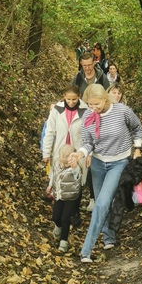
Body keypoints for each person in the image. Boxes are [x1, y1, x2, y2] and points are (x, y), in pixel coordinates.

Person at [68, 84, 142, 263]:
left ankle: (86, 250)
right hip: (98, 163)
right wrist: (79, 154)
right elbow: (88, 143)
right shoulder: (88, 115)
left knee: (101, 203)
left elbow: (137, 127)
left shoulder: (122, 111)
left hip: (119, 162)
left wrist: (138, 148)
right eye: (90, 104)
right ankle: (109, 237)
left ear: (105, 98)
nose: (93, 108)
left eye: (96, 104)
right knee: (103, 203)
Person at [42, 85, 87, 223]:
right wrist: (46, 152)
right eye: (68, 99)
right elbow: (50, 131)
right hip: (60, 151)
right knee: (59, 177)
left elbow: (88, 134)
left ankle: (74, 211)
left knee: (76, 179)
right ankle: (59, 210)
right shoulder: (57, 110)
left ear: (79, 97)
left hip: (77, 150)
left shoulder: (86, 110)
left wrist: (88, 153)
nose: (71, 102)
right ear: (64, 97)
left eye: (74, 99)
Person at [51, 144, 82, 252]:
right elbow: (54, 175)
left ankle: (63, 241)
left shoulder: (75, 168)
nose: (63, 165)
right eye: (62, 163)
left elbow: (77, 174)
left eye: (66, 164)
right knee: (56, 217)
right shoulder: (57, 163)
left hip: (71, 197)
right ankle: (58, 226)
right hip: (59, 195)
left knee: (65, 219)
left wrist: (74, 166)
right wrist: (50, 185)